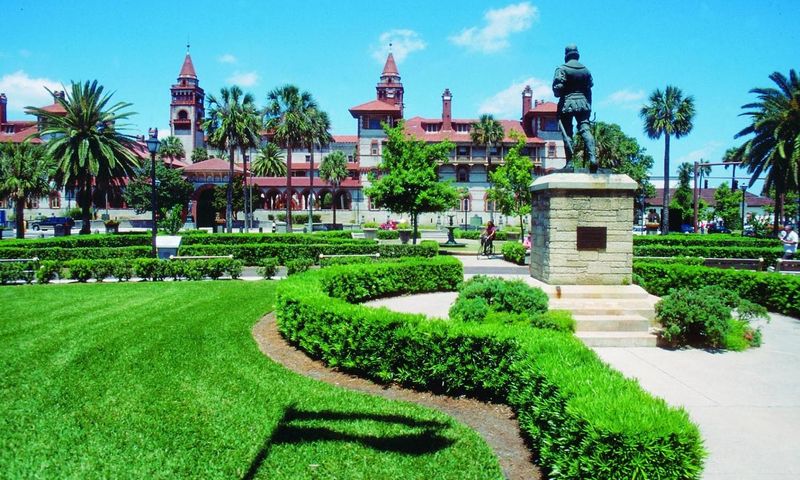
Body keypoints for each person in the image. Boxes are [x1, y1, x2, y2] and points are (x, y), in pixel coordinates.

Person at [552, 44, 596, 171]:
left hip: (568, 104)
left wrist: (559, 91)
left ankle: (570, 162)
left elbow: (557, 90)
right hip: (584, 103)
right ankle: (593, 158)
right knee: (585, 129)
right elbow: (589, 88)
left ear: (566, 55)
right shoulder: (586, 70)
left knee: (568, 132)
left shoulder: (562, 69)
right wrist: (588, 105)